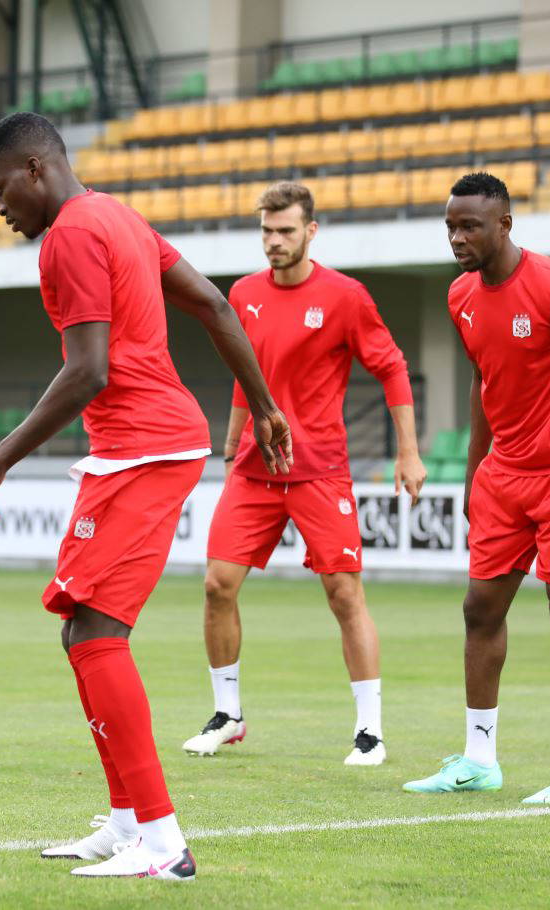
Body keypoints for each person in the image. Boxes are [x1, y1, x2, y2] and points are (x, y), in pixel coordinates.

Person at [0, 113, 291, 881]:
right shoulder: (120, 218)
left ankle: (164, 846)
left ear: (34, 169)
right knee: (82, 631)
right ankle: (129, 821)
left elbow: (89, 370)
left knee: (96, 634)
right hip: (150, 443)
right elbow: (213, 304)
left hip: (142, 445)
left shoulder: (72, 234)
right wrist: (263, 404)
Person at [403, 172, 550, 804]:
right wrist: (474, 472)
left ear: (504, 225)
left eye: (469, 225)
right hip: (503, 476)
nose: (456, 236)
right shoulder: (460, 296)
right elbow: (485, 383)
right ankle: (480, 759)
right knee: (479, 609)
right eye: (450, 225)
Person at [182, 182, 426, 766]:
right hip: (253, 469)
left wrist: (408, 452)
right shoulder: (241, 294)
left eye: (286, 231)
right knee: (217, 584)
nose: (274, 241)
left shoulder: (346, 296)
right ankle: (228, 715)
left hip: (319, 471)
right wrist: (234, 436)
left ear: (311, 232)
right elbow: (248, 372)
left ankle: (370, 731)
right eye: (267, 231)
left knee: (344, 593)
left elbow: (392, 368)